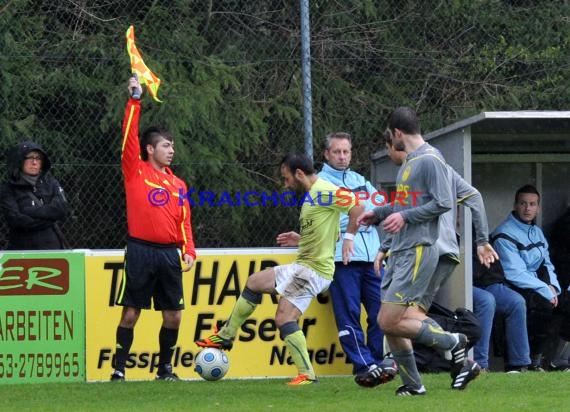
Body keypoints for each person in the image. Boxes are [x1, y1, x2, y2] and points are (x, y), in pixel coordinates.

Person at [196, 152, 364, 385]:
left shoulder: (324, 191)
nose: (285, 184)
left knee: (284, 318)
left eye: (286, 178)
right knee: (254, 282)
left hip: (313, 270)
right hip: (304, 265)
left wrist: (350, 238)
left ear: (299, 173)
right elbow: (330, 228)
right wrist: (301, 239)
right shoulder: (313, 196)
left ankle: (307, 374)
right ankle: (225, 336)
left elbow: (359, 207)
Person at [357, 107, 475, 396]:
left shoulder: (430, 159)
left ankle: (453, 341)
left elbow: (444, 202)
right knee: (392, 324)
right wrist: (379, 212)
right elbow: (405, 205)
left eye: (390, 135)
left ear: (397, 133)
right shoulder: (410, 163)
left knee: (388, 320)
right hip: (402, 250)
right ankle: (413, 385)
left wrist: (406, 217)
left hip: (419, 249)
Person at [370, 129, 496, 381]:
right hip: (444, 252)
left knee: (400, 316)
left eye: (389, 148)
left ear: (395, 141)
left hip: (425, 249)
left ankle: (452, 349)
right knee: (408, 314)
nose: (391, 155)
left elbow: (410, 213)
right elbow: (473, 196)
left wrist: (482, 240)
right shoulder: (441, 167)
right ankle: (451, 365)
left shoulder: (422, 164)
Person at [110, 76, 196, 382]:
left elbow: (184, 221)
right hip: (140, 251)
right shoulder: (135, 170)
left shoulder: (178, 184)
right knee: (131, 312)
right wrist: (135, 100)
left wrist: (189, 250)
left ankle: (165, 370)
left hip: (169, 255)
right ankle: (119, 369)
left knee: (173, 314)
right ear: (149, 149)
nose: (171, 150)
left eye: (172, 146)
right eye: (165, 145)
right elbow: (128, 136)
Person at [315, 132, 394, 386]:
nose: (341, 156)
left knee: (379, 314)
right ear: (326, 154)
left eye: (346, 151)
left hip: (372, 257)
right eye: (336, 152)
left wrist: (365, 215)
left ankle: (376, 362)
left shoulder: (359, 179)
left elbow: (381, 208)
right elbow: (338, 218)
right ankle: (363, 365)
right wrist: (361, 216)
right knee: (348, 315)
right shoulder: (321, 182)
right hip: (342, 259)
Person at [491, 184, 570, 371]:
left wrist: (554, 287)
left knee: (566, 301)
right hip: (512, 286)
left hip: (538, 285)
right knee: (542, 306)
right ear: (515, 205)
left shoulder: (537, 231)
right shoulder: (504, 233)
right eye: (523, 203)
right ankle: (532, 362)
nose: (528, 208)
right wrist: (545, 290)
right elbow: (514, 273)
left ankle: (559, 360)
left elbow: (547, 263)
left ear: (538, 208)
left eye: (532, 204)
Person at [0, 141, 69, 249]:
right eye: (30, 157)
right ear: (19, 160)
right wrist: (50, 218)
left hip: (53, 249)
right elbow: (17, 220)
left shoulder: (51, 183)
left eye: (38, 158)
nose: (34, 162)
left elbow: (61, 210)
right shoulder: (8, 189)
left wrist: (28, 211)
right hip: (22, 251)